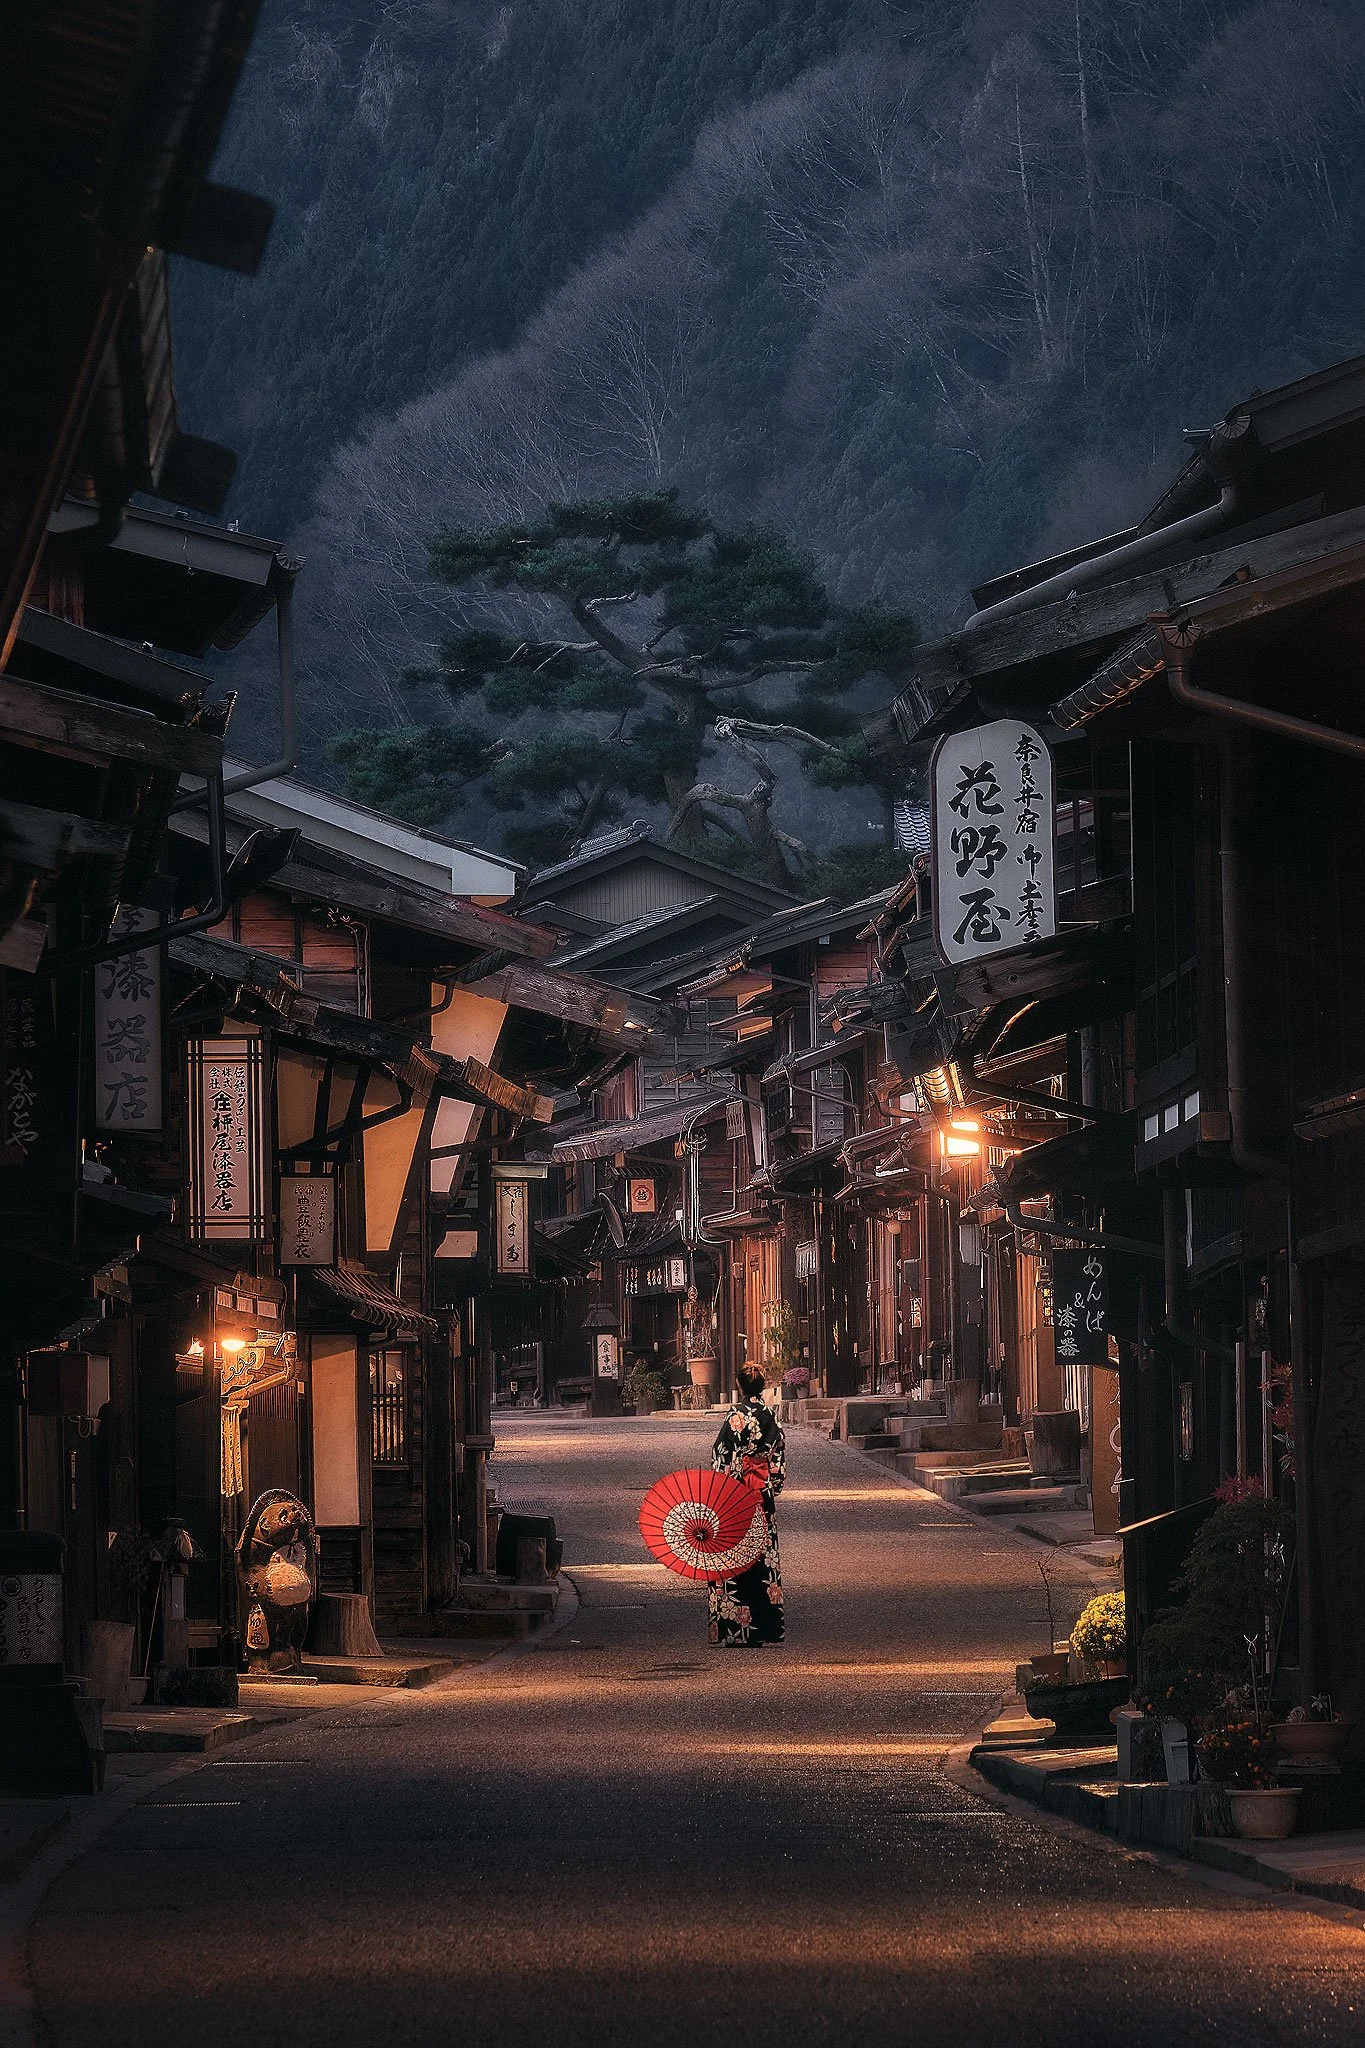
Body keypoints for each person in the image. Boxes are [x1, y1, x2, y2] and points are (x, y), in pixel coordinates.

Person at [708, 1361, 786, 1647]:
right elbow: (778, 1459)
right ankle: (766, 1627)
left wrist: (722, 1484)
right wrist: (772, 1484)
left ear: (739, 1386)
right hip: (761, 1494)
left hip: (736, 1493)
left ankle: (737, 1629)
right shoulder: (771, 1416)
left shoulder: (735, 1416)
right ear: (762, 1387)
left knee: (735, 1555)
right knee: (762, 1559)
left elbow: (721, 1454)